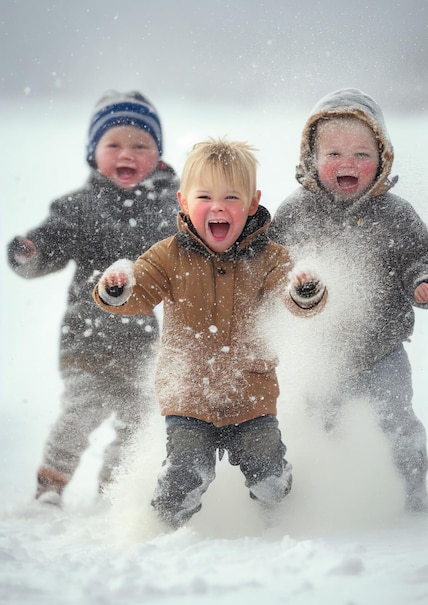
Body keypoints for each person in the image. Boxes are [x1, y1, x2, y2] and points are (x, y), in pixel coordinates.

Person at [93, 138, 327, 529]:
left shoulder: (271, 257)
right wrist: (117, 289)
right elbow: (141, 291)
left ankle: (280, 524)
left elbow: (292, 297)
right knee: (183, 474)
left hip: (250, 395)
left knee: (269, 475)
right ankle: (163, 532)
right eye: (205, 196)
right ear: (184, 202)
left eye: (231, 197)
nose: (218, 206)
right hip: (188, 395)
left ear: (252, 204)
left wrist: (304, 290)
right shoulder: (169, 255)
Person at [7, 90, 179, 505]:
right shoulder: (80, 207)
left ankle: (113, 491)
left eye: (141, 145)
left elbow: (190, 249)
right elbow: (51, 240)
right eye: (114, 144)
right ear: (93, 153)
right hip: (88, 337)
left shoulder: (170, 208)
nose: (127, 154)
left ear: (158, 154)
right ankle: (50, 485)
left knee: (139, 421)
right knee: (79, 413)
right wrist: (31, 251)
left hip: (146, 342)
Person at [269, 87, 428, 513]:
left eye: (361, 153)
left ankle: (414, 493)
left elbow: (420, 255)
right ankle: (330, 493)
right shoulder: (296, 211)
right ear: (311, 159)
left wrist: (421, 280)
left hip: (383, 351)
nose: (348, 163)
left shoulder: (396, 214)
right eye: (333, 153)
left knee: (395, 421)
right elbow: (269, 265)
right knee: (324, 422)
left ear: (383, 158)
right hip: (321, 353)